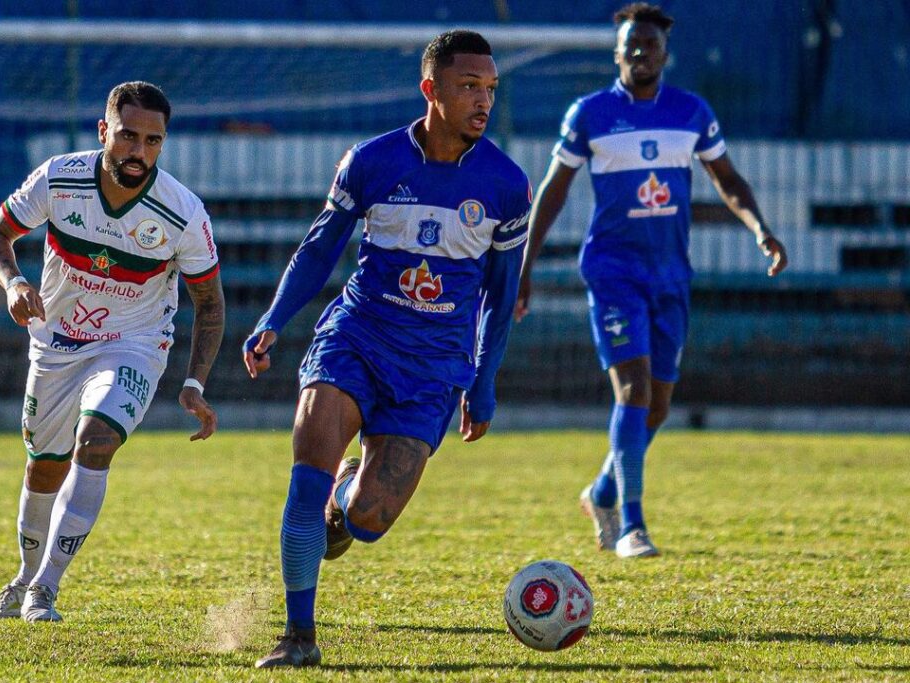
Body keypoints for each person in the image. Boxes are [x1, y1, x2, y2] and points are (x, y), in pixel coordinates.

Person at [242, 30, 531, 668]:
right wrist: (274, 319)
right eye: (469, 87)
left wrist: (482, 384)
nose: (483, 101)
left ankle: (347, 498)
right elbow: (318, 251)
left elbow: (499, 295)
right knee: (302, 480)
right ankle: (298, 638)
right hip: (355, 339)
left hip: (433, 369)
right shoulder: (372, 161)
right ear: (431, 90)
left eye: (490, 89)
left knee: (369, 520)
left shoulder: (508, 185)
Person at [515, 3, 787, 559]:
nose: (641, 52)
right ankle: (631, 525)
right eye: (631, 44)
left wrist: (761, 228)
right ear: (616, 53)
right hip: (613, 271)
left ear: (665, 54)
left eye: (650, 45)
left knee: (657, 405)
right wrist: (525, 266)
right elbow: (553, 189)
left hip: (670, 276)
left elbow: (727, 178)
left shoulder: (691, 112)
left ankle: (602, 491)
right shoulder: (589, 114)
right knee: (634, 390)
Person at [0, 81, 225, 622]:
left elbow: (210, 305)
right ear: (103, 131)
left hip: (133, 345)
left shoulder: (183, 212)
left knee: (96, 441)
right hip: (57, 342)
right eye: (128, 137)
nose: (139, 153)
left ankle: (46, 588)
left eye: (153, 142)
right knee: (44, 465)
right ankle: (22, 578)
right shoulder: (60, 177)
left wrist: (194, 383)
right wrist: (14, 282)